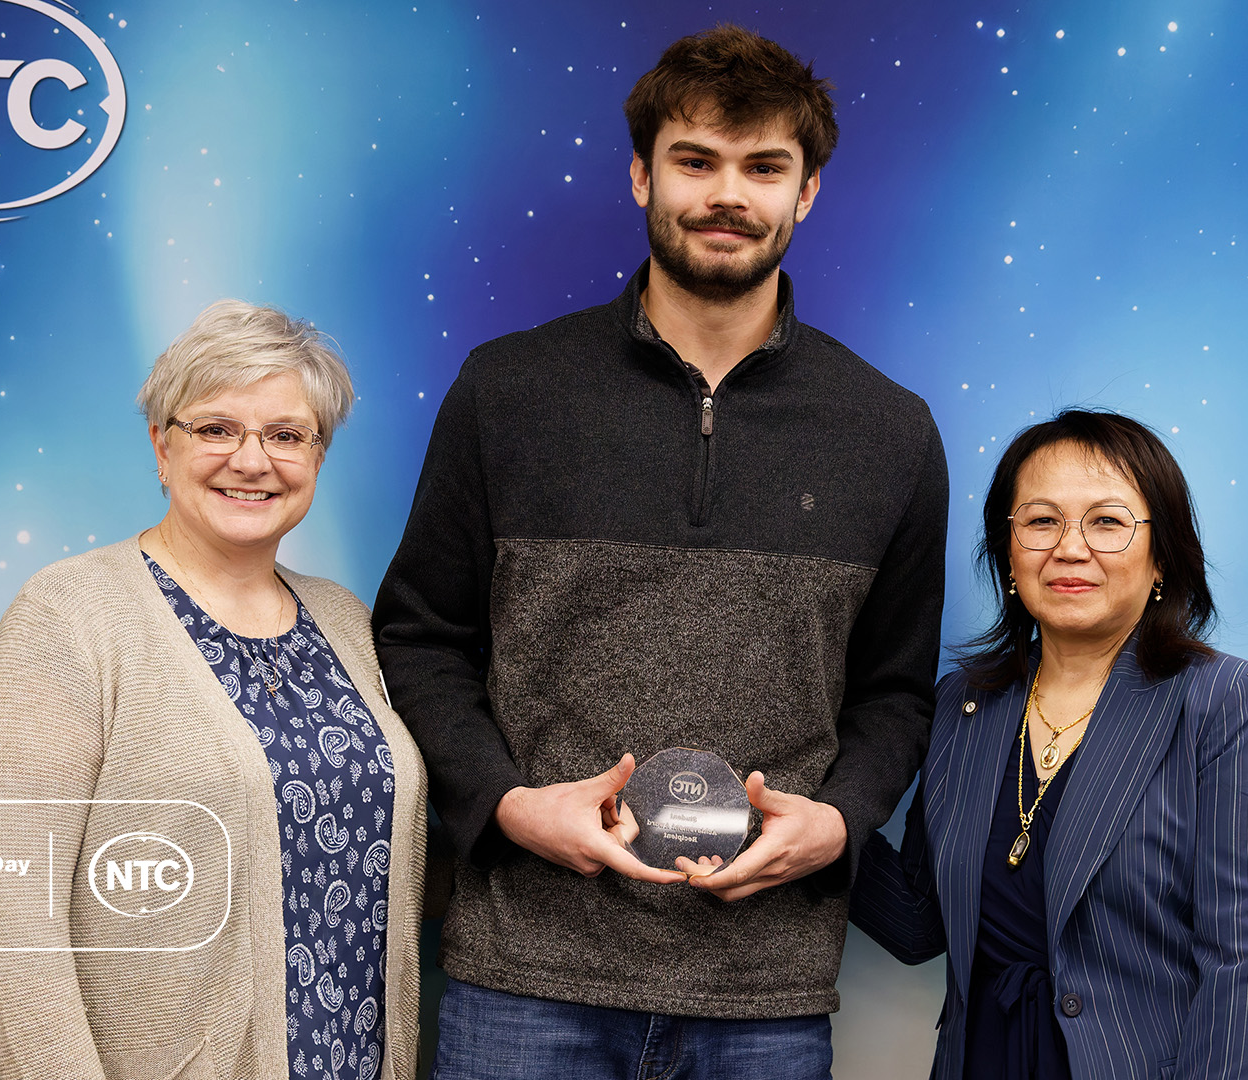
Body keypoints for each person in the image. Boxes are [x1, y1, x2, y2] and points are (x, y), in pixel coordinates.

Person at [372, 25, 948, 1080]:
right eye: (697, 160)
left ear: (807, 191)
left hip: (765, 999)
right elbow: (419, 637)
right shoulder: (509, 392)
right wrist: (505, 804)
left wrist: (840, 821)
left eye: (764, 167)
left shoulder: (891, 431)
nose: (729, 194)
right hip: (524, 982)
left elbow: (897, 693)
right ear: (642, 174)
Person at [0, 300, 429, 1080]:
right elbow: (10, 912)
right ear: (160, 445)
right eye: (216, 429)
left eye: (286, 435)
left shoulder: (344, 619)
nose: (253, 461)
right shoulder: (70, 615)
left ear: (318, 456)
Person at [850, 409, 1248, 1080]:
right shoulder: (965, 703)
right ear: (1008, 552)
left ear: (1162, 555)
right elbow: (921, 922)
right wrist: (803, 812)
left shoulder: (1228, 703)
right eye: (1040, 521)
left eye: (1107, 521)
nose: (1070, 547)